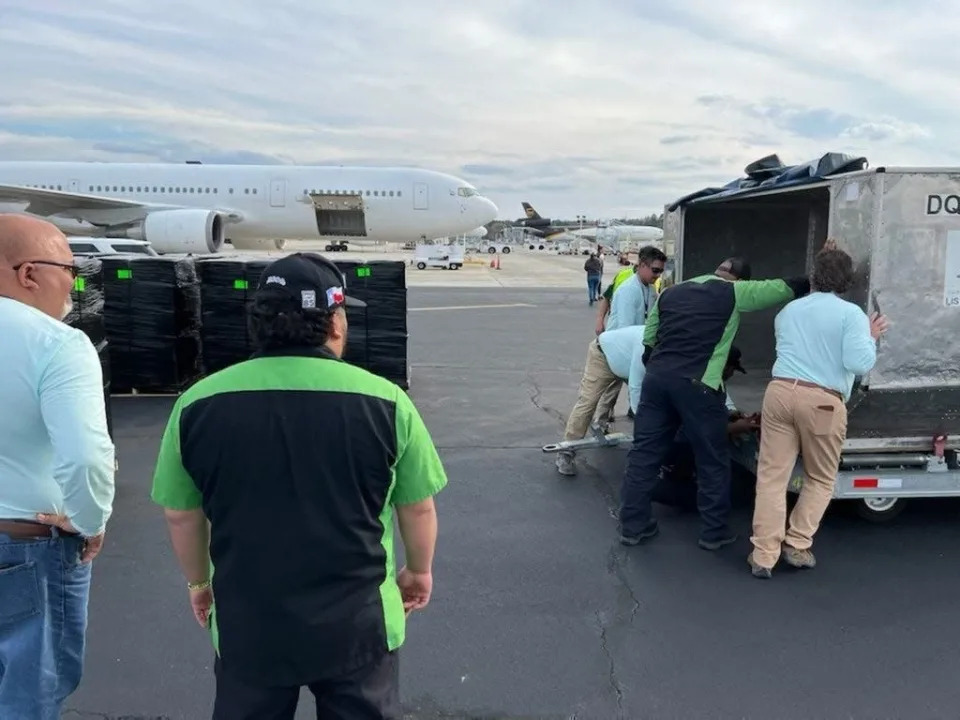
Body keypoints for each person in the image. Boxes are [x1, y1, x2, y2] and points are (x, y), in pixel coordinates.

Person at [151, 252, 448, 719]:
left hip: (249, 623)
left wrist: (200, 582)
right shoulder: (386, 402)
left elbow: (181, 512)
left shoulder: (197, 403)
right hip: (360, 623)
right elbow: (418, 507)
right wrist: (418, 571)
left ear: (259, 322)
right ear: (334, 322)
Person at [0, 213, 116, 719]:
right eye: (69, 269)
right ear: (27, 274)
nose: (74, 283)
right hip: (25, 548)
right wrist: (89, 520)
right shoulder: (57, 345)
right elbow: (86, 456)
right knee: (28, 696)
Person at [617, 255, 811, 550]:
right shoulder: (734, 292)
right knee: (712, 461)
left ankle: (633, 526)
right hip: (698, 385)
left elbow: (648, 342)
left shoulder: (670, 292)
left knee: (643, 455)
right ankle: (713, 533)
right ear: (742, 280)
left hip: (656, 380)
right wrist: (820, 274)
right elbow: (785, 287)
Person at [747, 241, 888, 579]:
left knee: (771, 478)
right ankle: (796, 544)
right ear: (847, 282)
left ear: (814, 277)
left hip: (779, 393)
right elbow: (858, 362)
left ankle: (763, 555)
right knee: (821, 477)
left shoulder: (789, 311)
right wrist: (870, 336)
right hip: (823, 401)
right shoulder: (851, 314)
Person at [652, 346, 760, 510]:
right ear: (725, 366)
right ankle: (654, 489)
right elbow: (705, 430)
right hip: (681, 445)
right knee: (711, 492)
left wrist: (730, 416)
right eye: (732, 369)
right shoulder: (701, 387)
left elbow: (710, 415)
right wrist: (737, 427)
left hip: (681, 440)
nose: (731, 375)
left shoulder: (707, 380)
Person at [554, 323, 646, 477]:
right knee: (588, 402)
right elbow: (636, 387)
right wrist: (642, 421)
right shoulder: (644, 344)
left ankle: (601, 425)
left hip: (624, 360)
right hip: (602, 355)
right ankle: (566, 452)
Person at [594, 246, 667, 423]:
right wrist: (599, 320)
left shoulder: (649, 289)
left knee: (622, 387)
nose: (658, 275)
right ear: (642, 265)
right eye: (655, 270)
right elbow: (625, 330)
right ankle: (592, 427)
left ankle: (606, 420)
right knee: (601, 394)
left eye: (661, 271)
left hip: (635, 347)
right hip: (617, 348)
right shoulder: (628, 289)